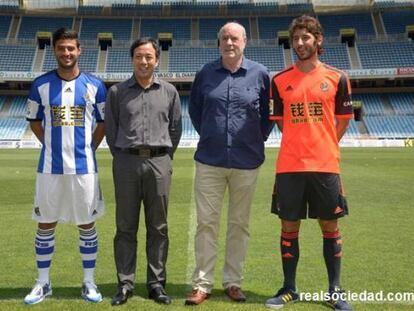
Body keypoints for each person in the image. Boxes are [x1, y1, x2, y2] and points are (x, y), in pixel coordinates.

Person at [265, 15, 353, 311]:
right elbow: (281, 125)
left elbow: (342, 122)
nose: (300, 43)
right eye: (296, 39)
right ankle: (290, 289)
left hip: (325, 165)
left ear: (318, 40)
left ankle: (335, 290)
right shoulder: (279, 81)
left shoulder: (337, 78)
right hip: (290, 166)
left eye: (306, 37)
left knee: (329, 225)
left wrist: (323, 143)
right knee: (289, 226)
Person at [185, 22, 274, 305]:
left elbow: (266, 119)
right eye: (224, 38)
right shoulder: (206, 73)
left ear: (245, 41)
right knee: (206, 224)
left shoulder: (260, 74)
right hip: (210, 160)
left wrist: (251, 141)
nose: (229, 42)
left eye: (234, 38)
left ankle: (233, 282)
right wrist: (212, 136)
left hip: (247, 161)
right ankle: (202, 284)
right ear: (218, 43)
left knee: (239, 225)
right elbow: (196, 112)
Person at [24, 27, 106, 305]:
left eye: (71, 48)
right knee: (45, 224)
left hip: (85, 169)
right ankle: (43, 283)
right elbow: (35, 122)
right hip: (49, 169)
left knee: (87, 223)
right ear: (55, 50)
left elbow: (103, 124)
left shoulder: (95, 85)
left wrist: (87, 149)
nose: (67, 53)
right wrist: (52, 145)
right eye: (62, 48)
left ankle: (89, 282)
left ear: (79, 50)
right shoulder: (41, 85)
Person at [105, 37, 182, 306]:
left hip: (160, 163)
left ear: (157, 60)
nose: (144, 61)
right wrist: (125, 157)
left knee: (158, 227)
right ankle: (125, 284)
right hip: (126, 162)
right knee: (125, 226)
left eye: (149, 56)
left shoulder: (170, 92)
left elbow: (175, 129)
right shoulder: (116, 92)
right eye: (139, 56)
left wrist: (164, 158)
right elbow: (111, 131)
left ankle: (156, 284)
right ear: (132, 59)